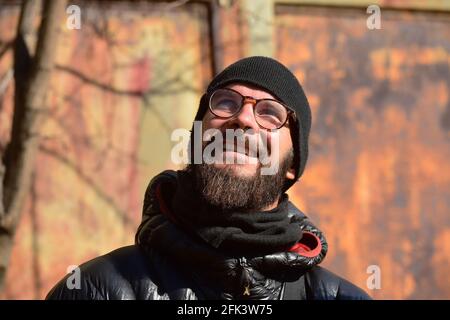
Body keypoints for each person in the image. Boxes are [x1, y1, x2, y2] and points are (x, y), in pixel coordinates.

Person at [46, 56, 371, 300]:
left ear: (292, 164)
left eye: (270, 113)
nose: (243, 118)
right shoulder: (95, 291)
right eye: (225, 103)